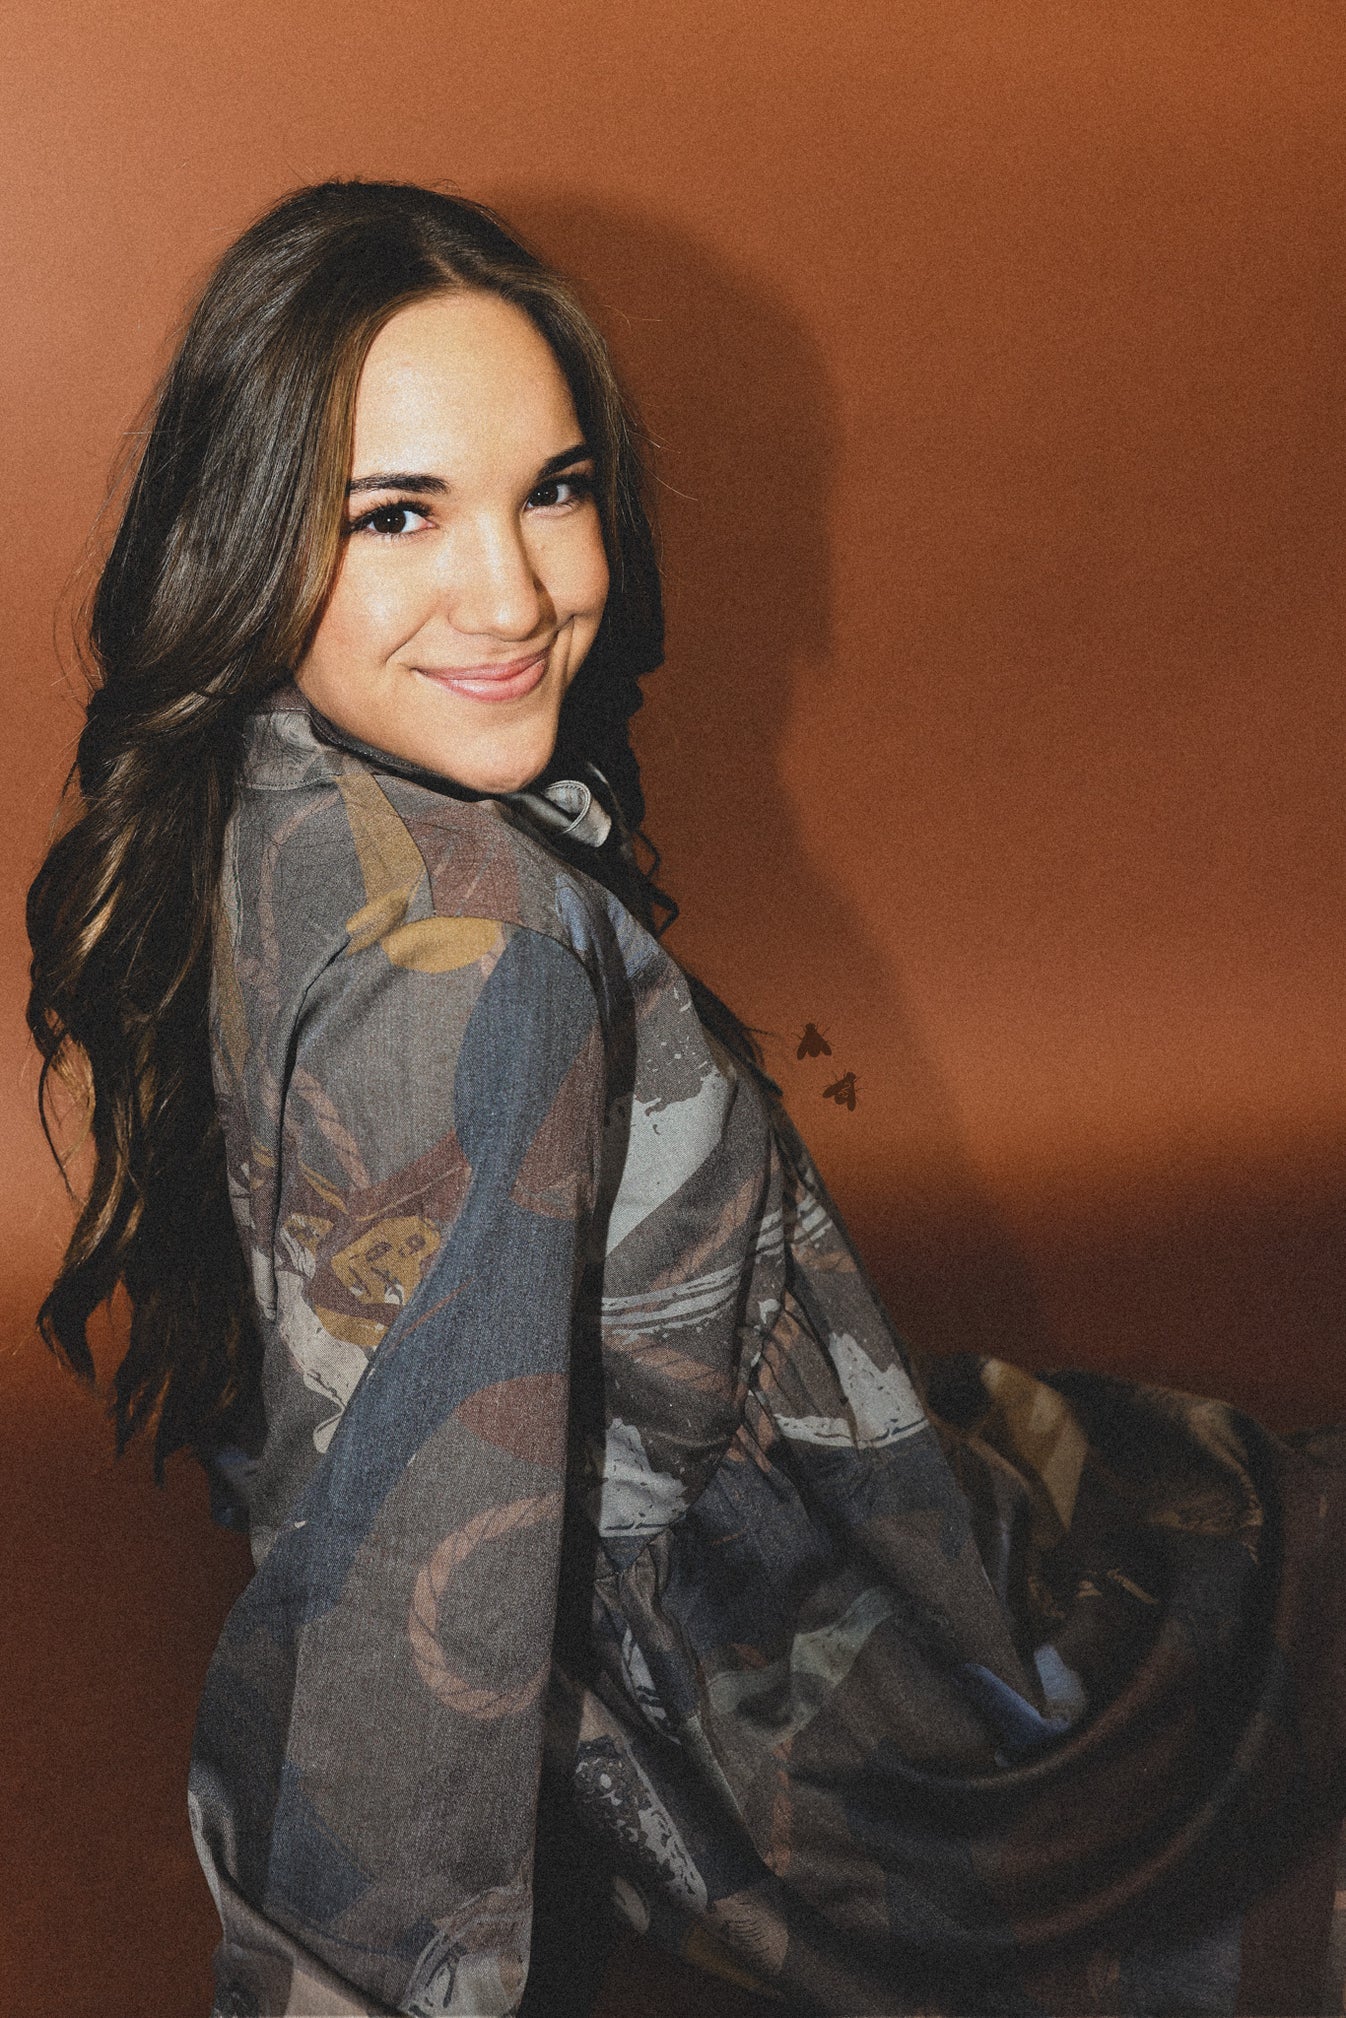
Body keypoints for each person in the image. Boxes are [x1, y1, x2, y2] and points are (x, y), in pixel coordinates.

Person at [25, 180, 1346, 2018]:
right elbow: (410, 1618)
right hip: (865, 1719)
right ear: (240, 533)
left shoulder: (264, 792)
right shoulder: (480, 971)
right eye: (396, 512)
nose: (515, 594)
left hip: (816, 1519)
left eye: (553, 490)